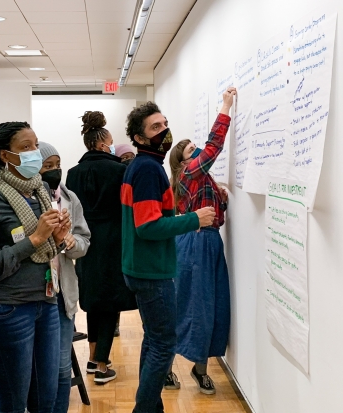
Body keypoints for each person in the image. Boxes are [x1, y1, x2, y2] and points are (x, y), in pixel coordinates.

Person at [121, 101, 216, 413]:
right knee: (163, 344)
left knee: (154, 341)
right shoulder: (148, 169)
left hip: (141, 268)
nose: (164, 131)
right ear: (139, 138)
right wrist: (194, 219)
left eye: (164, 124)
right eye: (155, 127)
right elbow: (148, 226)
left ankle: (151, 407)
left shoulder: (141, 165)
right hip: (152, 273)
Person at [0, 122, 72, 413]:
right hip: (8, 308)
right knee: (14, 403)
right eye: (25, 147)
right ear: (5, 155)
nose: (34, 153)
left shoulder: (39, 190)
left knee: (46, 400)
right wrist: (36, 238)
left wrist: (59, 237)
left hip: (47, 301)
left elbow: (49, 247)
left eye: (36, 145)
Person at [168, 87, 236, 395]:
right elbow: (213, 148)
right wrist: (225, 106)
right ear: (182, 162)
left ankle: (200, 368)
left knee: (211, 307)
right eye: (190, 151)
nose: (197, 152)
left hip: (210, 244)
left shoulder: (205, 180)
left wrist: (221, 198)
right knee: (189, 308)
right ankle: (165, 368)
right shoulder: (188, 173)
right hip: (193, 245)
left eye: (196, 149)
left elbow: (217, 217)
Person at [66, 111, 137, 385]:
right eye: (110, 140)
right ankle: (103, 365)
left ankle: (94, 357)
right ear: (102, 143)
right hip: (113, 241)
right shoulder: (121, 171)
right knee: (111, 301)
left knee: (94, 298)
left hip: (84, 242)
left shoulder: (73, 174)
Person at [38, 142, 91, 413]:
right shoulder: (25, 200)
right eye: (48, 166)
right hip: (33, 295)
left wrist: (70, 242)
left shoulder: (70, 198)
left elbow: (84, 241)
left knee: (60, 367)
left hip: (61, 295)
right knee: (37, 370)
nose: (55, 171)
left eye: (57, 165)